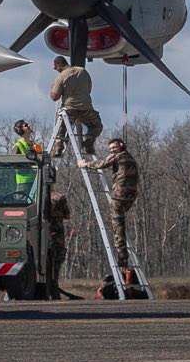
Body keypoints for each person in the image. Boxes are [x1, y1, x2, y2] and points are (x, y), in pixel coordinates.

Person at [81, 136, 137, 269]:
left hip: (119, 196)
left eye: (114, 147)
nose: (112, 150)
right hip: (130, 196)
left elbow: (102, 164)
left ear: (121, 146)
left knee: (118, 230)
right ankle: (123, 257)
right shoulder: (129, 157)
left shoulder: (119, 156)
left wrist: (85, 164)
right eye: (111, 148)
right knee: (119, 223)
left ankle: (122, 262)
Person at [47, 57, 100, 159]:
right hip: (87, 109)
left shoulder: (61, 77)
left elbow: (55, 97)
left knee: (61, 127)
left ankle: (58, 147)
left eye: (55, 67)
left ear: (59, 65)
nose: (55, 69)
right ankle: (89, 139)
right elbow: (88, 89)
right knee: (97, 125)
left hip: (70, 110)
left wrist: (54, 88)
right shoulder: (83, 72)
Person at [44, 192, 71, 299]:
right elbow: (67, 215)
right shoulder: (59, 197)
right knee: (56, 263)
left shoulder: (35, 197)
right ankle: (54, 290)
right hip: (57, 236)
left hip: (41, 234)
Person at [9, 119, 43, 195]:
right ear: (20, 129)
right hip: (24, 184)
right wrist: (32, 169)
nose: (29, 125)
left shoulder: (34, 144)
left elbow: (41, 158)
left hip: (36, 181)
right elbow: (14, 165)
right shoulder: (17, 146)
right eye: (26, 125)